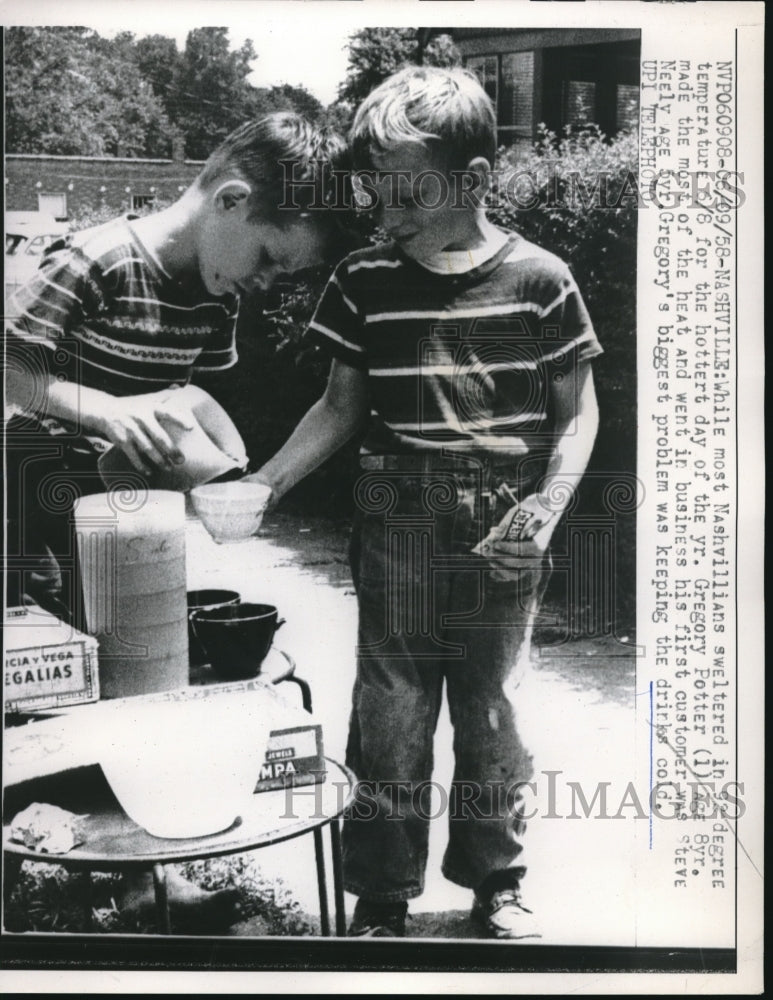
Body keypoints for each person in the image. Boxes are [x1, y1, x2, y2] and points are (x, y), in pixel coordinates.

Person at [246, 67, 602, 939]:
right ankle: (381, 892)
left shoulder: (542, 280)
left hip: (504, 525)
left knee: (494, 709)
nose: (385, 215)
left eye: (406, 194)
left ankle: (496, 879)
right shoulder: (366, 279)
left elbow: (578, 412)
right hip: (397, 520)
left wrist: (546, 510)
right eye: (376, 194)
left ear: (475, 180)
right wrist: (263, 483)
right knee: (391, 705)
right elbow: (337, 407)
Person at [4, 112, 348, 930]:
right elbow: (13, 370)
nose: (267, 285)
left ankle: (132, 879)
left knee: (139, 688)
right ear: (230, 200)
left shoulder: (209, 302)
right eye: (270, 259)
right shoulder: (97, 259)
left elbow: (182, 402)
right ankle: (30, 865)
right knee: (46, 694)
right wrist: (109, 412)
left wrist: (217, 478)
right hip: (32, 512)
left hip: (125, 527)